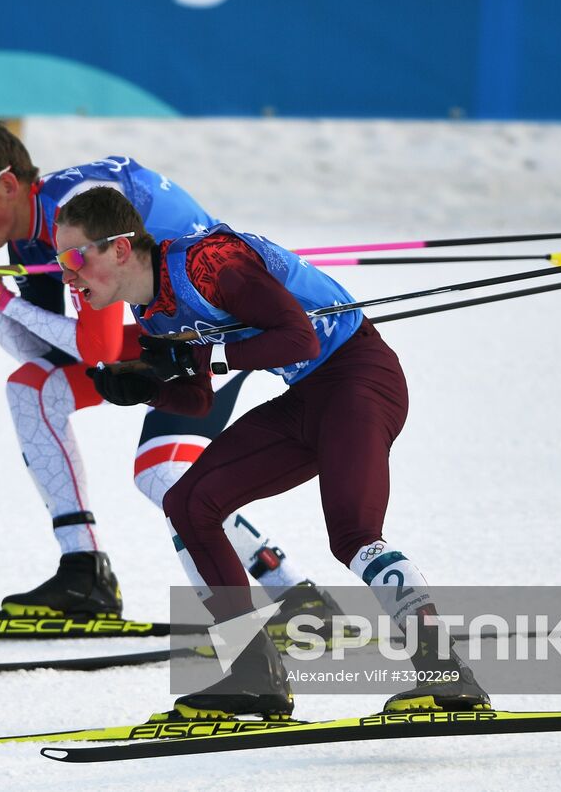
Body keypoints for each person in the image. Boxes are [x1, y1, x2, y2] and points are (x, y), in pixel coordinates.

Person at [51, 185, 491, 719]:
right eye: (59, 261)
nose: (66, 275)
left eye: (76, 258)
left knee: (352, 535)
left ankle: (447, 675)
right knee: (189, 502)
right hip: (307, 398)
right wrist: (146, 386)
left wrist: (205, 356)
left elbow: (300, 338)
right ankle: (254, 673)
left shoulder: (208, 262)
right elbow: (196, 400)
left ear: (120, 248)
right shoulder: (151, 314)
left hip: (359, 379)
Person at [0, 116, 319, 618]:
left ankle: (293, 594)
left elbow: (96, 350)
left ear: (6, 185)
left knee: (163, 473)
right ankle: (84, 573)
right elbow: (40, 351)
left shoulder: (78, 217)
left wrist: (1, 299)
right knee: (33, 388)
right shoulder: (31, 235)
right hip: (158, 335)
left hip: (213, 332)